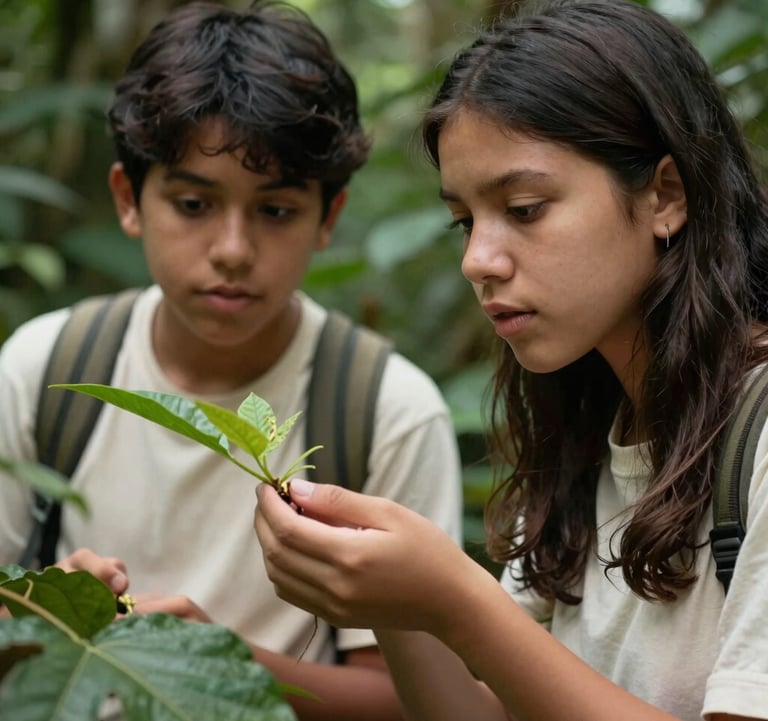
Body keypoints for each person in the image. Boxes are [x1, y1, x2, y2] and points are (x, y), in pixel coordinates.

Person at [253, 1, 768, 719]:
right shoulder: (585, 427)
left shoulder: (760, 435)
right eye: (465, 221)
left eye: (524, 208)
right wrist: (399, 603)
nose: (477, 261)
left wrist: (457, 599)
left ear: (665, 194)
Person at [0, 2, 463, 719]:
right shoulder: (42, 370)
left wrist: (216, 662)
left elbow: (411, 700)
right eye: (193, 203)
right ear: (130, 200)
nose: (233, 250)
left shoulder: (386, 411)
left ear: (327, 219)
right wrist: (44, 610)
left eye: (275, 210)